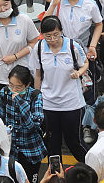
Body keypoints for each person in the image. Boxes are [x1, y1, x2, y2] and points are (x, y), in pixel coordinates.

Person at [30, 15, 89, 161]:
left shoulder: (72, 46)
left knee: (73, 141)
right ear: (42, 34)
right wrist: (37, 100)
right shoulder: (39, 48)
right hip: (49, 103)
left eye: (56, 35)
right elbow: (37, 74)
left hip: (71, 102)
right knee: (52, 142)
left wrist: (79, 73)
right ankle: (55, 175)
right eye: (48, 36)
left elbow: (85, 64)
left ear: (62, 31)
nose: (52, 39)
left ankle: (91, 166)